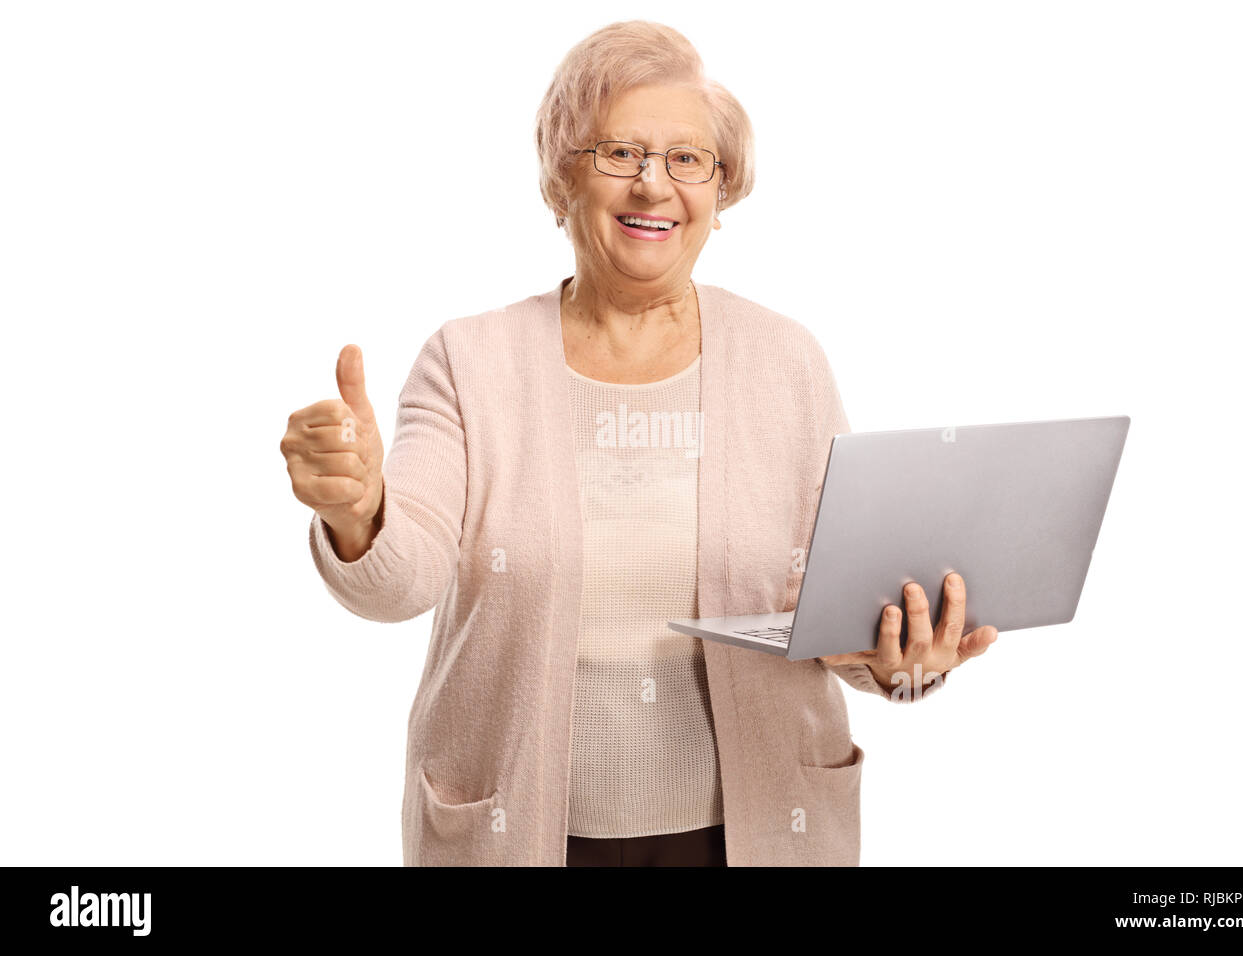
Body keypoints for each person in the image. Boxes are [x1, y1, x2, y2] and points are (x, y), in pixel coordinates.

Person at [279, 19, 998, 867]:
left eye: (688, 159)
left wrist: (905, 660)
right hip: (520, 838)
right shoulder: (469, 361)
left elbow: (838, 611)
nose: (654, 185)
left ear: (720, 195)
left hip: (758, 835)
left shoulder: (786, 361)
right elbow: (403, 581)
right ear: (560, 183)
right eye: (618, 153)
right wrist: (359, 514)